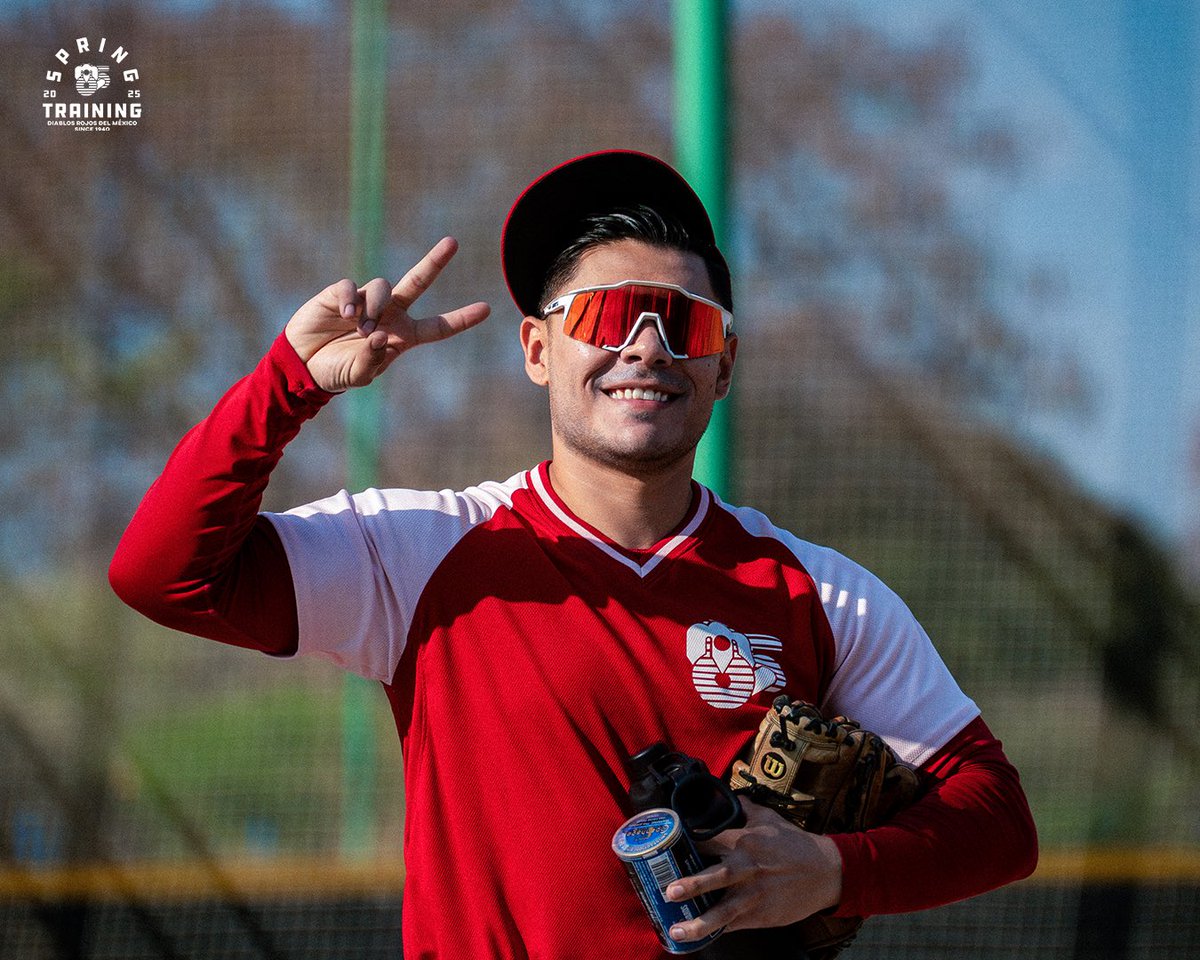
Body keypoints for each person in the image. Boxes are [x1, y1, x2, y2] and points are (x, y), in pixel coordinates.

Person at [110, 150, 1038, 959]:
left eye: (689, 323)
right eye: (606, 314)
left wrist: (833, 868)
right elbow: (162, 575)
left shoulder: (820, 593)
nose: (647, 346)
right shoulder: (426, 549)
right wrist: (289, 383)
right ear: (537, 351)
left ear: (724, 366)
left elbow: (999, 821)